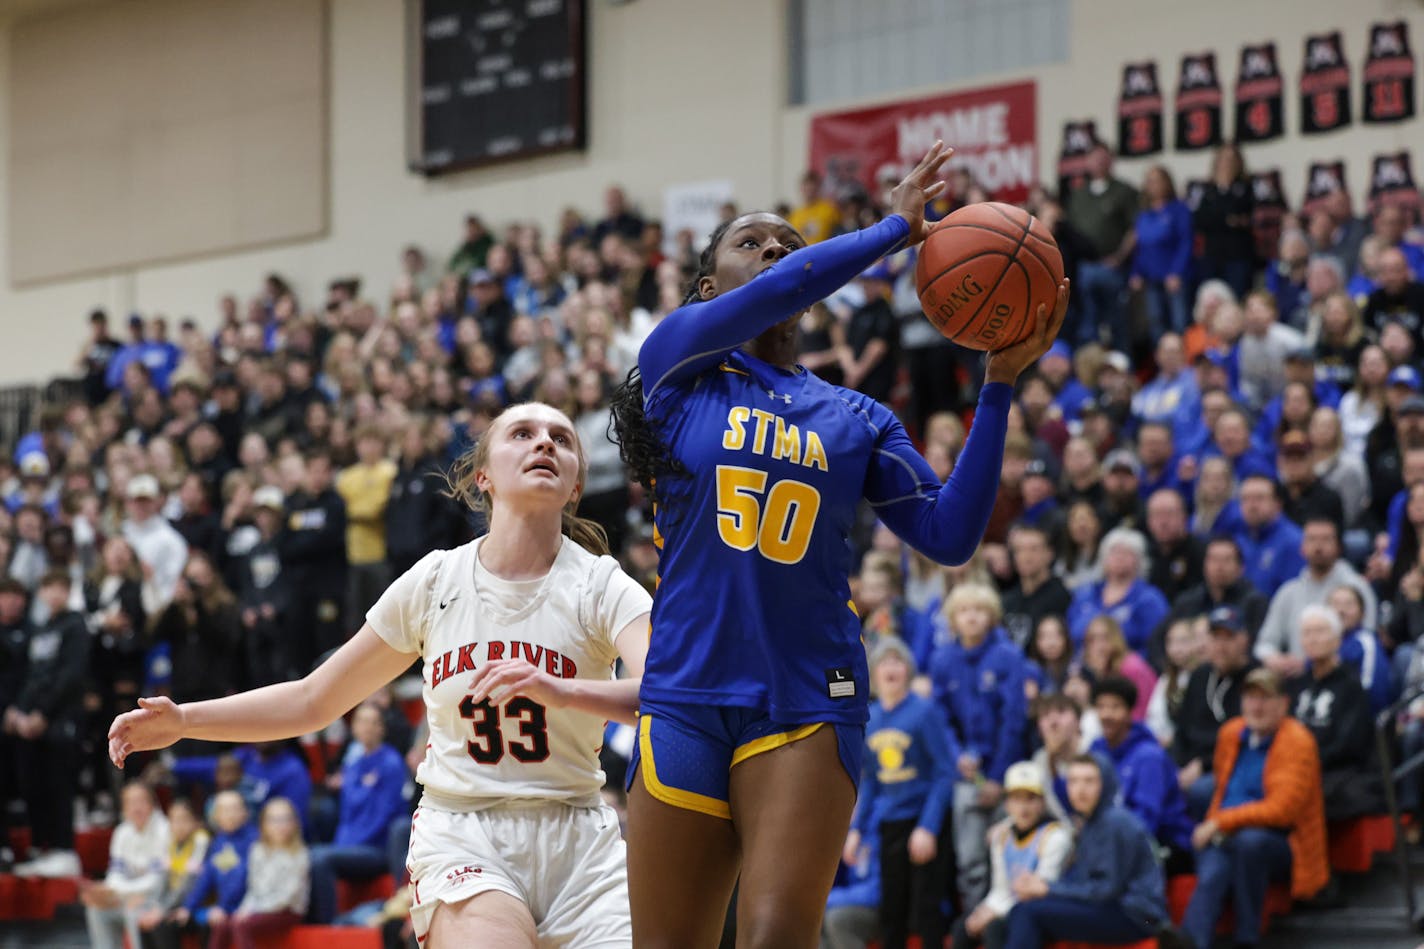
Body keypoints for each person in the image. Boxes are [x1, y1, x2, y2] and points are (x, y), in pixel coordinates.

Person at [606, 140, 1069, 949]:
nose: (778, 253)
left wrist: (997, 387)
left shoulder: (856, 417)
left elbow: (951, 535)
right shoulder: (674, 361)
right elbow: (789, 281)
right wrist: (893, 227)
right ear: (711, 288)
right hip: (685, 694)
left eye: (788, 243)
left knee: (779, 935)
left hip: (810, 701)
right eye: (751, 242)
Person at [110, 402, 655, 948]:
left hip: (579, 834)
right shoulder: (435, 581)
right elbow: (312, 700)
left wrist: (561, 690)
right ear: (483, 475)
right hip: (465, 833)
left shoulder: (601, 586)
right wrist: (185, 721)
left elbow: (670, 693)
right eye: (524, 433)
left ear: (576, 483)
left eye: (561, 439)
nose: (545, 444)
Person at [1181, 669, 1329, 949]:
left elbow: (1281, 810)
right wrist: (1216, 825)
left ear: (1284, 704)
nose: (1256, 706)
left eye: (1265, 698)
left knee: (1250, 843)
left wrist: (1220, 822)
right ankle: (1191, 942)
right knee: (1213, 870)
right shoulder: (1230, 733)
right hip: (1227, 833)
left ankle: (1246, 937)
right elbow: (1221, 792)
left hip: (1281, 843)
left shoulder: (1297, 740)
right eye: (1250, 697)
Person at [844, 638, 956, 949]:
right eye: (884, 662)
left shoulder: (924, 712)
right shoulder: (871, 717)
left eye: (898, 661)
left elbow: (945, 772)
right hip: (890, 823)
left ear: (908, 670)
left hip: (924, 822)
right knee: (892, 911)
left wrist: (928, 827)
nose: (891, 667)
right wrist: (856, 829)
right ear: (874, 673)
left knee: (927, 910)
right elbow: (871, 782)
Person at [1000, 754, 1171, 949]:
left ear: (1105, 783)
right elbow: (1086, 883)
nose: (1080, 790)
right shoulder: (1091, 823)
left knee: (1027, 913)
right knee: (1016, 913)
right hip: (1115, 908)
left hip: (1138, 917)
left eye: (1089, 781)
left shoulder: (1114, 822)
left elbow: (1106, 890)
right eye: (1073, 781)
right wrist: (1044, 888)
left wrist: (1048, 889)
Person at [932, 583, 1030, 909]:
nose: (971, 617)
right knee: (970, 859)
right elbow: (941, 718)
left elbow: (1014, 721)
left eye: (978, 610)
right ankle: (977, 927)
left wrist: (998, 777)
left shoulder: (1008, 657)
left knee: (1006, 858)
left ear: (991, 617)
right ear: (952, 620)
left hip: (1006, 770)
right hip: (966, 772)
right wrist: (957, 755)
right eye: (963, 611)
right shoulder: (942, 660)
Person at [7, 569, 88, 877]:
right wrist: (20, 710)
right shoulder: (41, 629)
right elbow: (33, 676)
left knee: (59, 784)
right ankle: (43, 847)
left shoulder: (75, 625)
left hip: (62, 720)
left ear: (68, 591)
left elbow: (70, 676)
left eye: (60, 588)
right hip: (33, 722)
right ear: (40, 593)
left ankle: (64, 848)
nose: (54, 594)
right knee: (34, 784)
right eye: (48, 588)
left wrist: (42, 713)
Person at [308, 703, 411, 924]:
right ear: (353, 727)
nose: (367, 727)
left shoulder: (391, 763)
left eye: (374, 722)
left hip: (375, 849)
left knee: (319, 857)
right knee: (311, 854)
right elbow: (347, 815)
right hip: (351, 845)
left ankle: (328, 925)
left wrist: (347, 847)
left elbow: (385, 817)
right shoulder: (353, 764)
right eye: (362, 721)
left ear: (382, 728)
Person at [951, 761, 1071, 949]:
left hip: (1041, 910)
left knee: (995, 928)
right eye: (1016, 798)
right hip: (1009, 905)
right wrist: (985, 910)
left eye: (1030, 798)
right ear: (1006, 803)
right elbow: (1000, 889)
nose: (1023, 807)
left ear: (1043, 802)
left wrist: (995, 913)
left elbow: (1039, 890)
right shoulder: (1001, 835)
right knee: (962, 927)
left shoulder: (1055, 836)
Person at [1255, 517, 1377, 678]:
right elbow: (1264, 644)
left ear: (1339, 547)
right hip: (1295, 680)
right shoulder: (1288, 592)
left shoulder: (1358, 587)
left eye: (1326, 539)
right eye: (1312, 539)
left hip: (1342, 679)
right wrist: (1276, 660)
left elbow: (1367, 639)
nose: (1318, 546)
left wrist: (1309, 664)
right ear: (1302, 548)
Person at [1292, 605, 1382, 821]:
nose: (1313, 639)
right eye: (1307, 633)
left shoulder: (1351, 685)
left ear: (1337, 639)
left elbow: (1348, 745)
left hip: (1335, 773)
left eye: (1321, 631)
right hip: (1295, 768)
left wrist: (1305, 765)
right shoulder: (1295, 684)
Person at [1089, 676, 1194, 861]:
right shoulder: (1096, 750)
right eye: (1101, 707)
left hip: (1165, 840)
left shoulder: (1149, 756)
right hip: (1114, 838)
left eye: (1115, 707)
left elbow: (1147, 820)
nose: (1106, 714)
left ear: (1130, 712)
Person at [1173, 606, 1261, 820]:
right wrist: (1177, 765)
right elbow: (1182, 729)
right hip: (1191, 763)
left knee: (1200, 791)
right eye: (1215, 637)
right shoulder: (1200, 676)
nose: (1221, 646)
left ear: (1244, 640)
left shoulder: (1256, 680)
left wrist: (1202, 765)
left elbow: (1246, 737)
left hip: (1232, 765)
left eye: (1228, 638)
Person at [207, 796, 309, 949]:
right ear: (263, 824)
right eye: (274, 820)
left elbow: (287, 896)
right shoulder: (258, 850)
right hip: (259, 908)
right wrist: (244, 909)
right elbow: (253, 888)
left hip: (287, 911)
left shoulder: (300, 854)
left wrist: (254, 911)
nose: (280, 825)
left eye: (286, 819)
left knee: (241, 925)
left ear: (294, 823)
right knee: (224, 924)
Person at [1066, 144, 1139, 350]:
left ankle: (1122, 366)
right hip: (1083, 269)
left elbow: (1135, 229)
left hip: (1112, 267)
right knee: (1087, 325)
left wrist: (1119, 257)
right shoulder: (1078, 195)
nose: (1098, 162)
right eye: (1094, 158)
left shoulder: (1124, 191)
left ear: (1111, 160)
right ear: (1087, 162)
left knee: (1117, 322)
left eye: (1102, 158)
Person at [82, 781, 170, 949]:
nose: (136, 807)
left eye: (141, 801)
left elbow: (157, 880)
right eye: (131, 802)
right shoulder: (122, 832)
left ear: (152, 804)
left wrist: (123, 893)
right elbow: (114, 874)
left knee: (133, 911)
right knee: (97, 909)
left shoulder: (164, 830)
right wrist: (118, 894)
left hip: (156, 897)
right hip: (127, 896)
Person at [170, 791, 257, 946]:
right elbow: (205, 878)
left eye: (235, 808)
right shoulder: (218, 841)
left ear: (245, 812)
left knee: (213, 925)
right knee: (175, 921)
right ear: (216, 816)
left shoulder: (253, 840)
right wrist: (188, 907)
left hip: (245, 907)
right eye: (224, 810)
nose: (230, 814)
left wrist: (224, 908)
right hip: (224, 908)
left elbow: (244, 877)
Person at [1065, 527, 1169, 655]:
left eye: (1126, 553)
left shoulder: (1149, 599)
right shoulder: (1085, 594)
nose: (1119, 557)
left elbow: (1156, 646)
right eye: (1114, 552)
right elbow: (1068, 636)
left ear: (1139, 560)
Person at [1129, 165, 1193, 338]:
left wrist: (1176, 272)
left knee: (1179, 321)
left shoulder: (1178, 209)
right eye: (1149, 181)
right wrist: (1136, 272)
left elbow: (1185, 243)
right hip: (1150, 277)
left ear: (1167, 183)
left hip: (1173, 276)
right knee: (1154, 321)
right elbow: (1140, 246)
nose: (1153, 185)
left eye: (1157, 180)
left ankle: (1183, 361)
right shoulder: (1144, 214)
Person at [139, 797, 210, 949]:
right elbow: (162, 879)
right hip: (173, 905)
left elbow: (188, 884)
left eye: (184, 819)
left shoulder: (200, 841)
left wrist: (162, 911)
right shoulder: (170, 843)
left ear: (195, 822)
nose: (179, 826)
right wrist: (154, 907)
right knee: (144, 923)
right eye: (174, 820)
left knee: (162, 925)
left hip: (195, 906)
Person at [1000, 524, 1071, 651]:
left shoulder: (1061, 598)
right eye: (1019, 550)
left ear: (1049, 554)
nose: (1026, 556)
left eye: (1034, 549)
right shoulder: (1007, 600)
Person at [1233, 475, 1306, 598]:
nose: (1252, 506)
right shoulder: (1238, 539)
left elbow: (1293, 597)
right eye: (1245, 499)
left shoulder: (1294, 542)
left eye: (1259, 498)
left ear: (1277, 504)